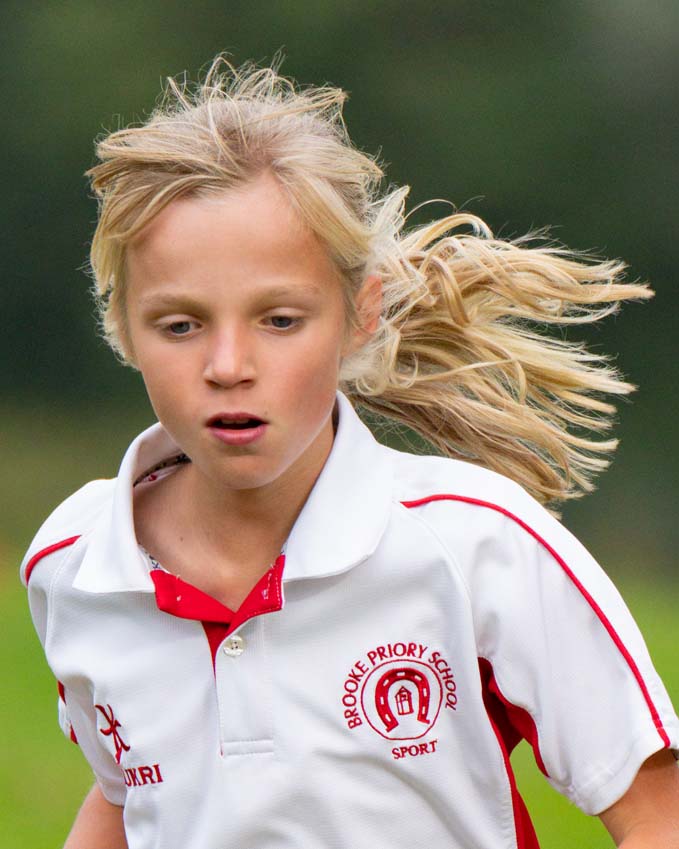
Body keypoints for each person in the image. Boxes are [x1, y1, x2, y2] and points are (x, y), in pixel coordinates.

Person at [21, 54, 679, 849]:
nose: (227, 365)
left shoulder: (478, 542)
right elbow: (127, 793)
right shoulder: (74, 562)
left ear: (360, 313)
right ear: (123, 327)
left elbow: (658, 813)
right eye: (180, 324)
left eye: (279, 320)